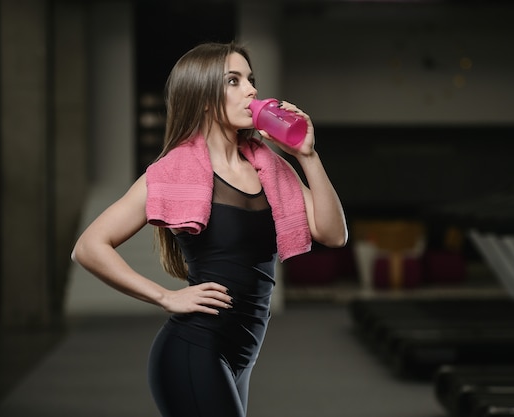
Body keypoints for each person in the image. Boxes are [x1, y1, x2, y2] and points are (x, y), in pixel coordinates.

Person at [71, 42, 348, 417]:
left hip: (242, 354)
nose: (251, 90)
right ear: (202, 97)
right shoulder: (173, 170)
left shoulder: (270, 167)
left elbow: (333, 234)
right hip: (195, 347)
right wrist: (165, 297)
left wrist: (307, 155)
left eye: (251, 79)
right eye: (233, 81)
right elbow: (89, 246)